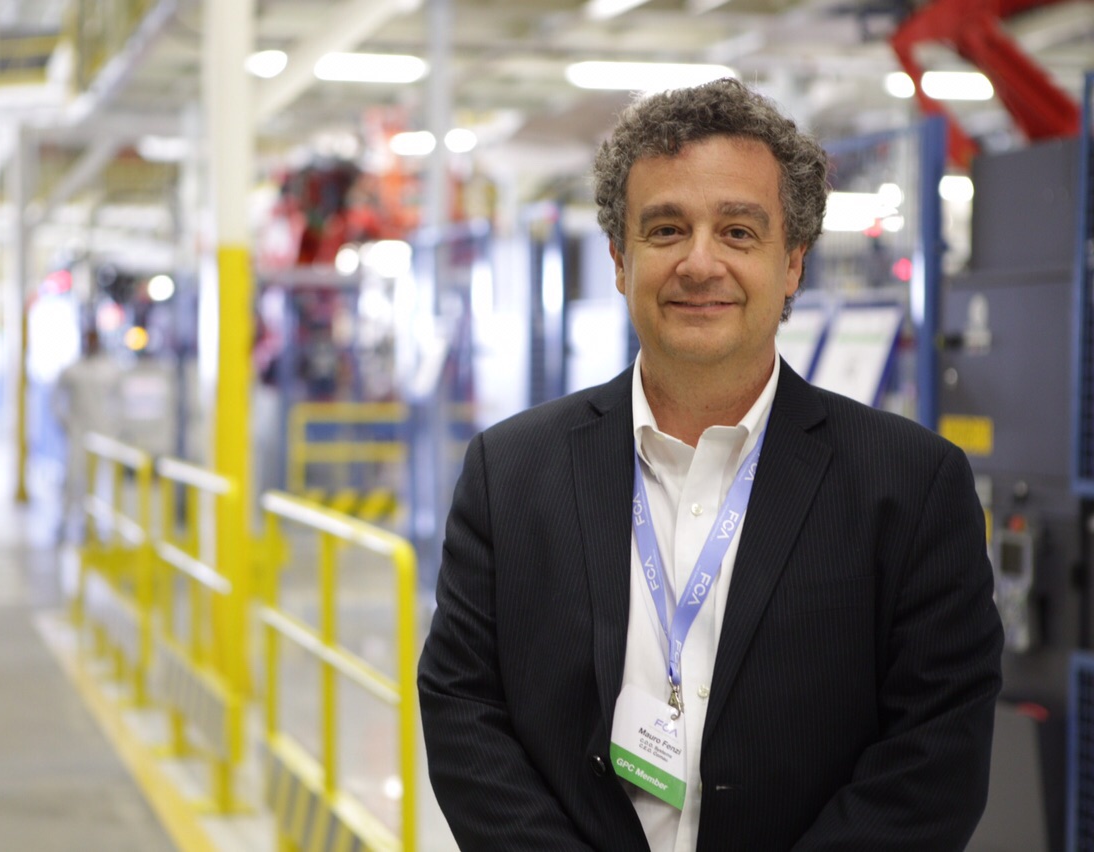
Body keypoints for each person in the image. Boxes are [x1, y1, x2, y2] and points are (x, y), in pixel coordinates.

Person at [417, 78, 1003, 852]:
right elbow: (463, 709)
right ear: (620, 260)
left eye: (738, 231)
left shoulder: (911, 487)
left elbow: (934, 757)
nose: (700, 263)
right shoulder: (510, 473)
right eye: (666, 230)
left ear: (792, 264)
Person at [52, 328, 122, 542]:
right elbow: (55, 399)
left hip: (102, 434)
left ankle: (91, 524)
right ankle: (65, 521)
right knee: (73, 478)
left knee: (101, 481)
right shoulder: (72, 371)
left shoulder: (110, 370)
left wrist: (114, 426)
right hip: (79, 432)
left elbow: (120, 400)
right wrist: (66, 423)